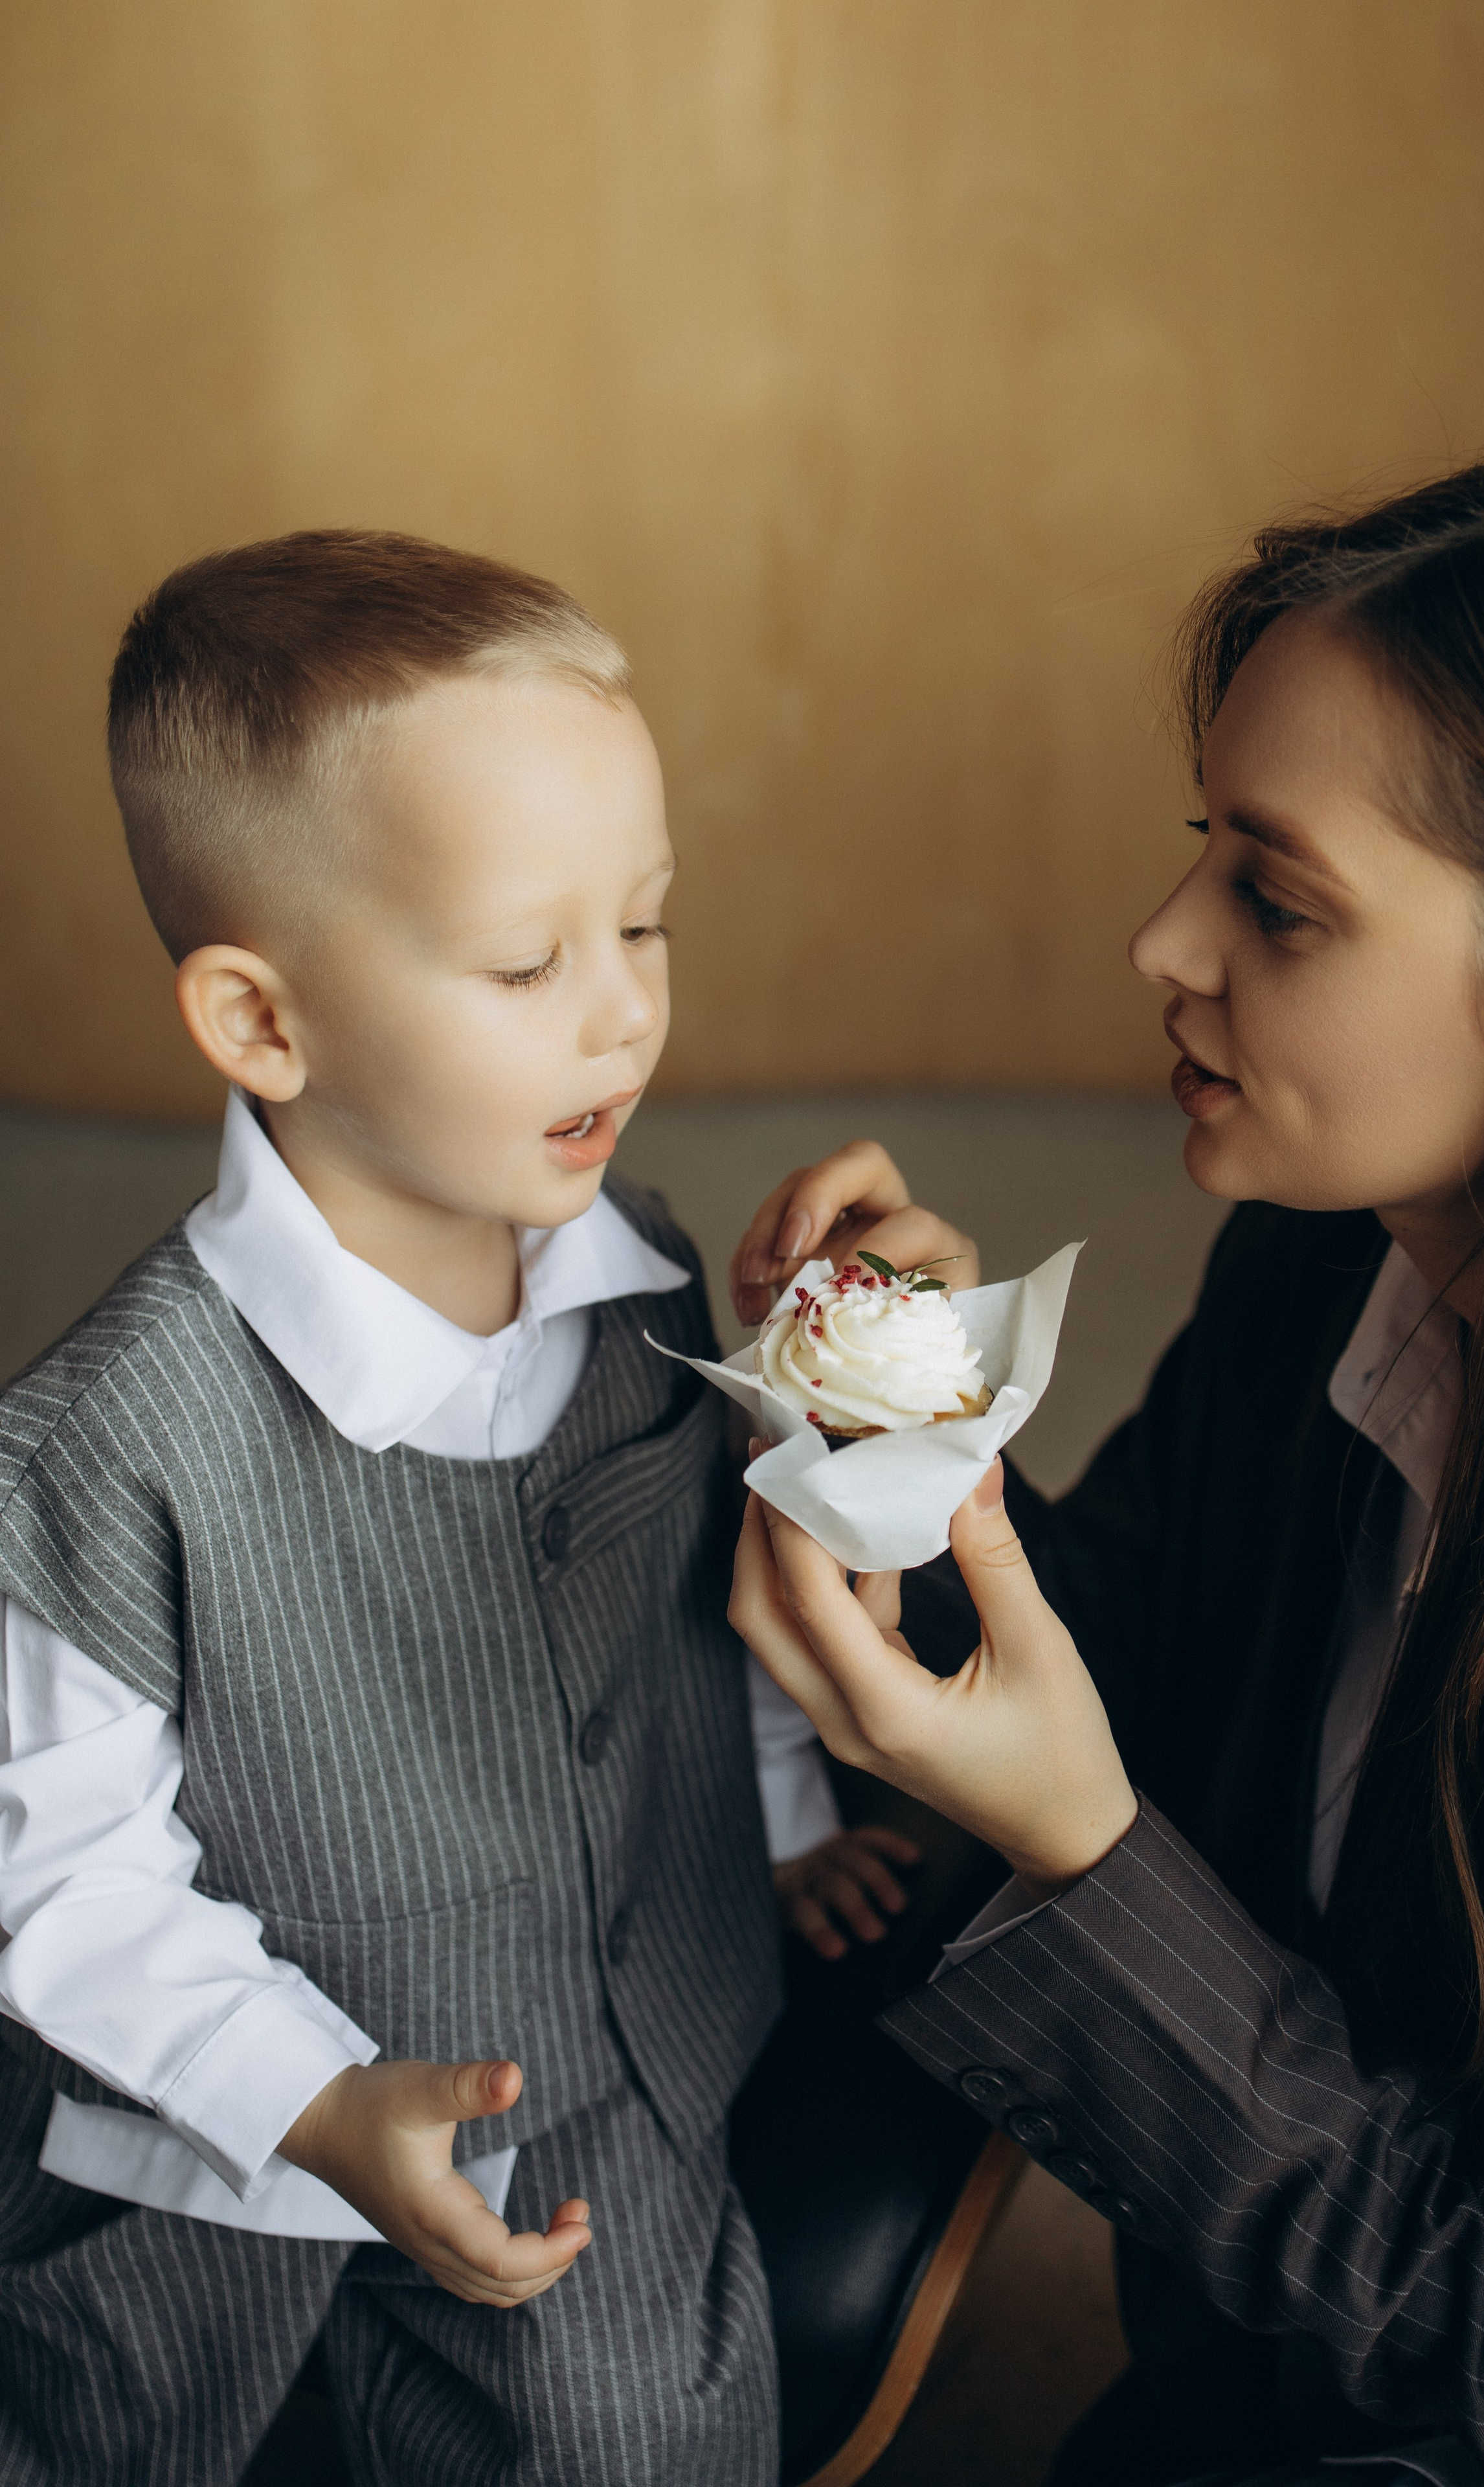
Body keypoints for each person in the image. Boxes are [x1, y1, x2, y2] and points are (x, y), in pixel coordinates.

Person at [730, 423, 1484, 2487]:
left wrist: (1083, 1862)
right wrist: (911, 1428)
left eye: (1280, 899)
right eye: (1202, 847)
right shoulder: (1326, 1266)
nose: (1164, 942)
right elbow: (1143, 1661)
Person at [0, 530, 908, 2487]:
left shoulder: (644, 1274)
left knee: (650, 2438)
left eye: (644, 930)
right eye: (524, 961)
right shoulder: (103, 1453)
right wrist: (314, 2103)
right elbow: (61, 1882)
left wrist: (779, 1818)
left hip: (597, 2093)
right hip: (230, 2140)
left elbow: (698, 1586)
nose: (620, 1020)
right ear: (261, 1025)